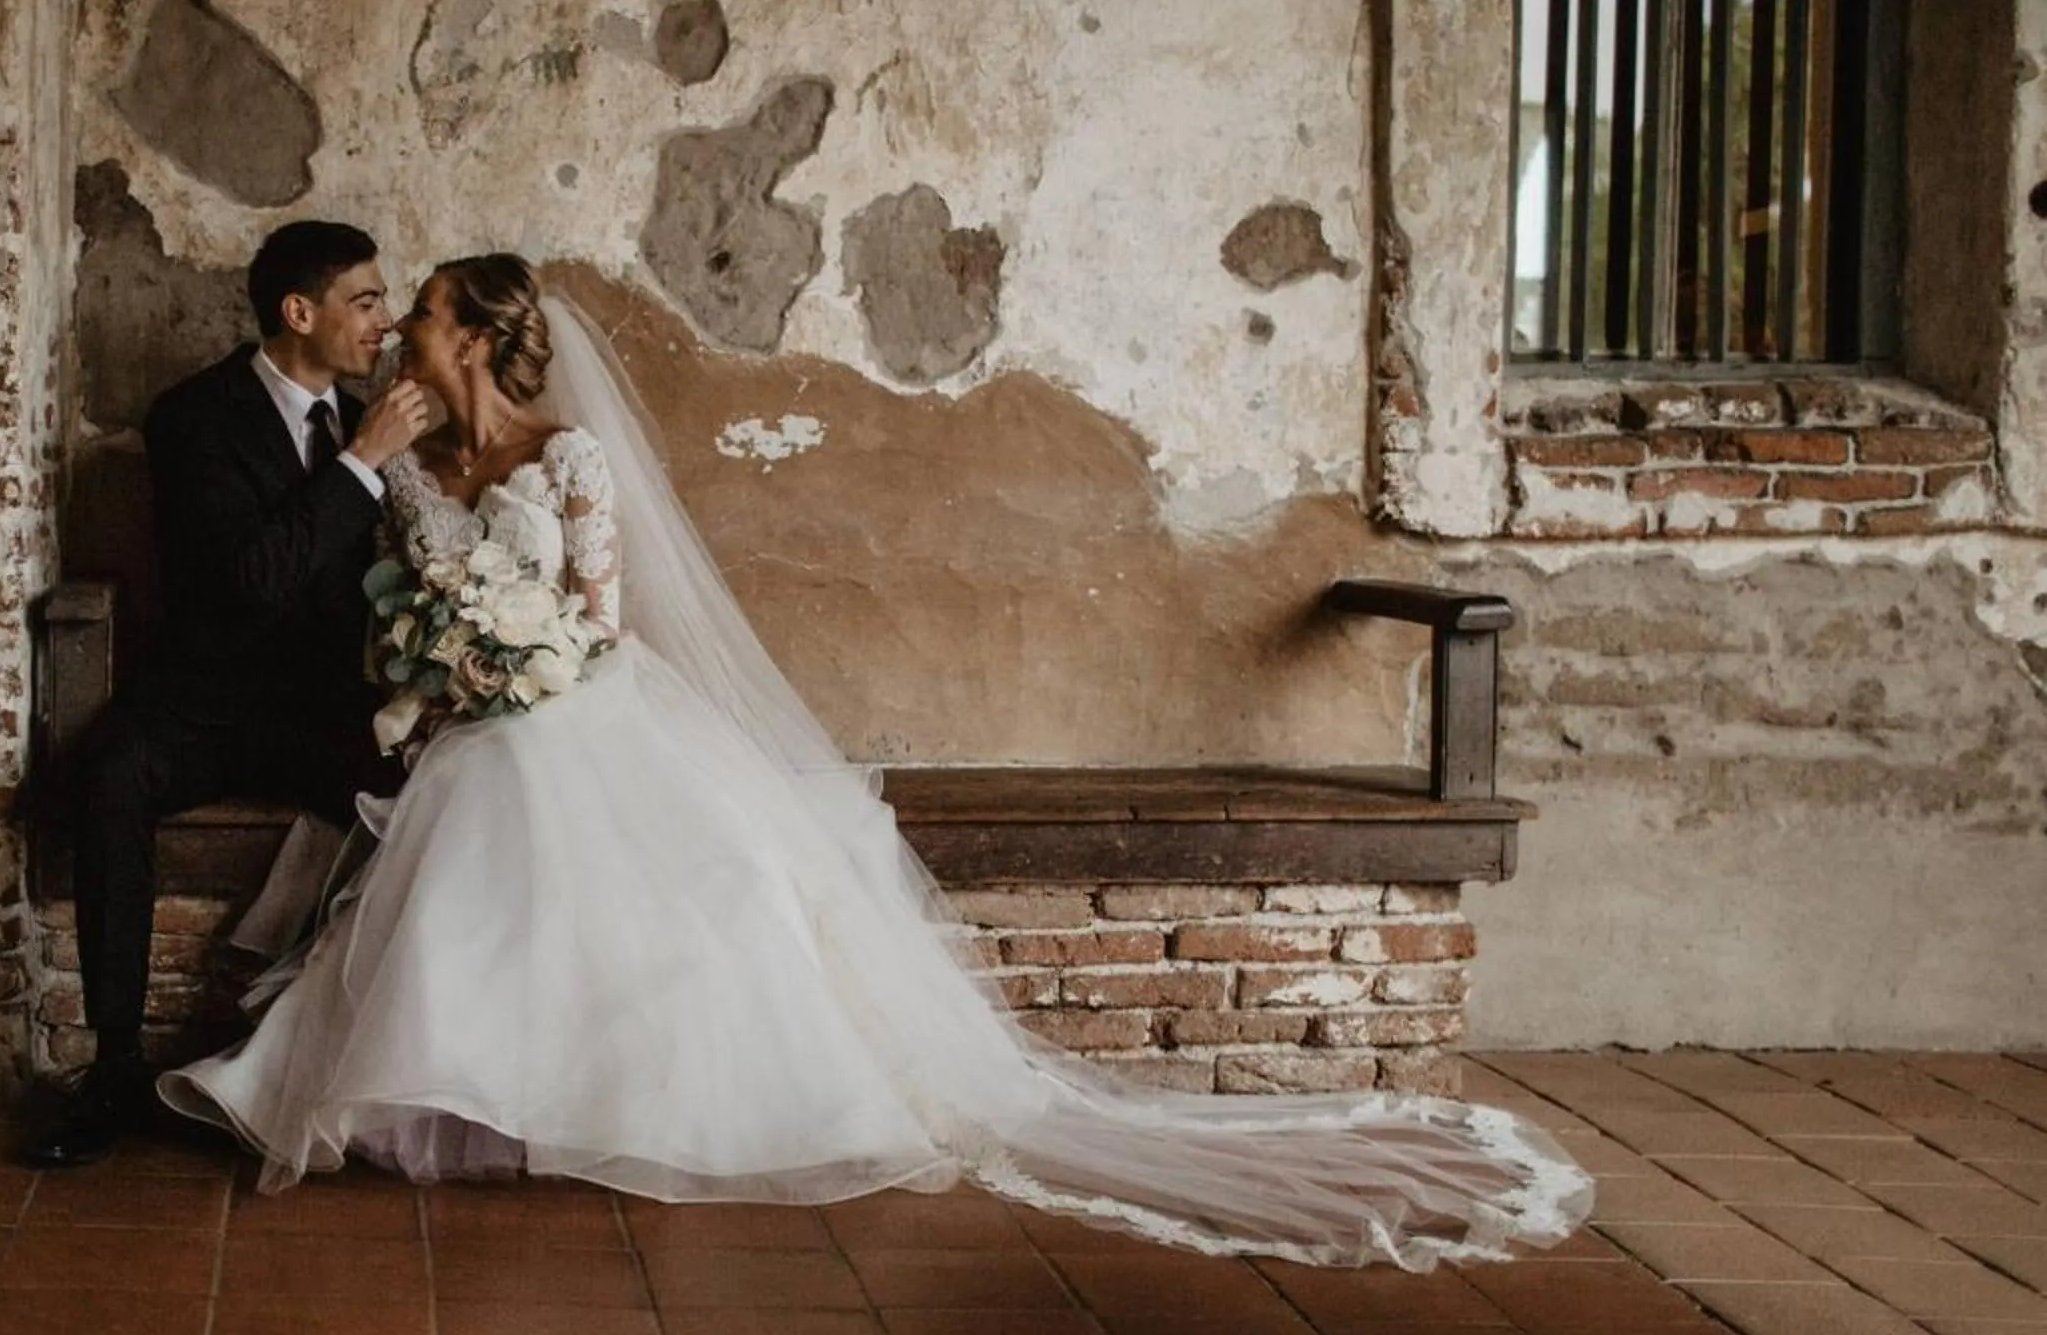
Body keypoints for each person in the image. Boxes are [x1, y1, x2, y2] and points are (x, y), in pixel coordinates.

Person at [160, 254, 1594, 1269]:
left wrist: (509, 659)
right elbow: (381, 593)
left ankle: (604, 1104)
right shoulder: (409, 466)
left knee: (649, 867)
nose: (398, 331)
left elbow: (594, 623)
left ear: (472, 336)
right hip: (472, 717)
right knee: (473, 828)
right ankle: (464, 1098)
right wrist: (453, 657)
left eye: (418, 314)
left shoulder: (570, 460)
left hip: (577, 703)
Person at [22, 221, 435, 1167]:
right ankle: (113, 1066)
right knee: (107, 780)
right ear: (300, 312)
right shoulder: (192, 420)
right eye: (365, 300)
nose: (385, 319)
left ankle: (349, 1070)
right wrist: (362, 464)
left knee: (435, 800)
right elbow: (249, 579)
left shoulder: (364, 416)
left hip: (323, 713)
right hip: (204, 705)